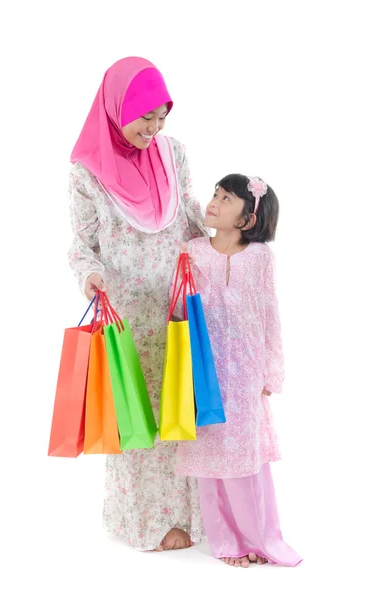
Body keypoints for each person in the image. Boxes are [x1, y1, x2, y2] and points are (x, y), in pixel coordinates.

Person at [68, 57, 208, 551]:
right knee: (134, 414)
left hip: (173, 306)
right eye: (145, 117)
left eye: (162, 117)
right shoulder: (88, 173)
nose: (154, 129)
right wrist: (89, 277)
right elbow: (83, 244)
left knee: (179, 408)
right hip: (126, 312)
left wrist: (229, 237)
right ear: (115, 109)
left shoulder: (174, 154)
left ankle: (187, 517)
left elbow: (190, 218)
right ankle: (143, 521)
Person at [176, 174, 302, 567]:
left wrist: (271, 372)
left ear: (248, 218)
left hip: (246, 371)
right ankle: (224, 541)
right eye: (215, 193)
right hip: (203, 370)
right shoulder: (192, 250)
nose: (213, 201)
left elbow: (269, 315)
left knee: (246, 458)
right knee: (208, 454)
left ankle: (259, 536)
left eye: (226, 198)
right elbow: (179, 308)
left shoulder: (261, 258)